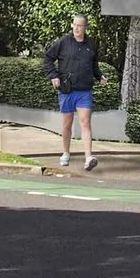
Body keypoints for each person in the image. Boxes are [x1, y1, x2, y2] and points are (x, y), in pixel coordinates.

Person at [42, 14, 100, 169]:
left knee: (85, 122)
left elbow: (94, 64)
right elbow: (47, 58)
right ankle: (66, 152)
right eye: (74, 24)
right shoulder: (64, 42)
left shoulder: (91, 44)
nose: (76, 28)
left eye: (80, 25)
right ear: (71, 25)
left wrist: (99, 76)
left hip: (84, 90)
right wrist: (53, 76)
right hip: (67, 89)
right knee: (67, 124)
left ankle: (88, 158)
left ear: (85, 27)